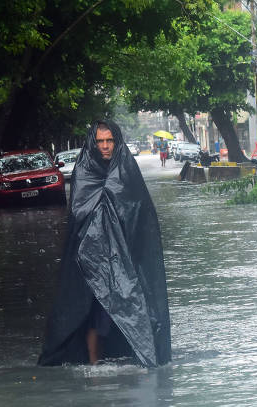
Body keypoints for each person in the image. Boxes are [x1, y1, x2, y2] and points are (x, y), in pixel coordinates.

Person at [38, 120, 172, 367]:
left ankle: (139, 360)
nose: (105, 146)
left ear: (117, 141)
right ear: (93, 143)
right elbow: (79, 213)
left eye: (109, 140)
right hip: (93, 260)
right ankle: (94, 367)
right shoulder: (84, 171)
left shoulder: (127, 171)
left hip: (125, 260)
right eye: (100, 141)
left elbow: (140, 215)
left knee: (130, 310)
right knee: (93, 315)